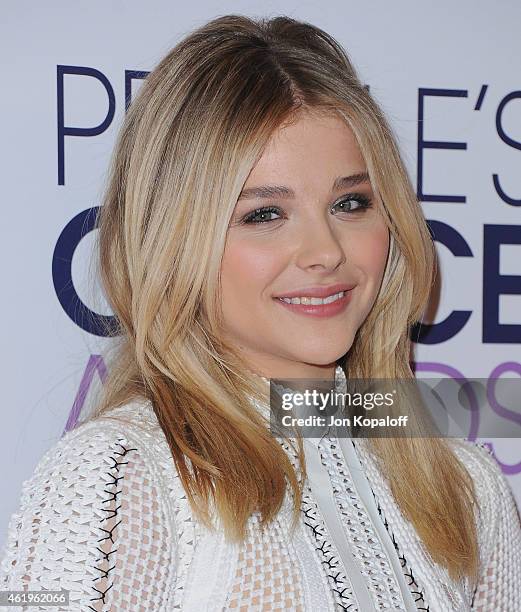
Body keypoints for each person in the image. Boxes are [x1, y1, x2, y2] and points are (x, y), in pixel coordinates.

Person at [1, 13, 520, 611]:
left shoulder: (464, 487)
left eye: (350, 203)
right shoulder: (119, 480)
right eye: (264, 215)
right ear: (173, 238)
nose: (326, 252)